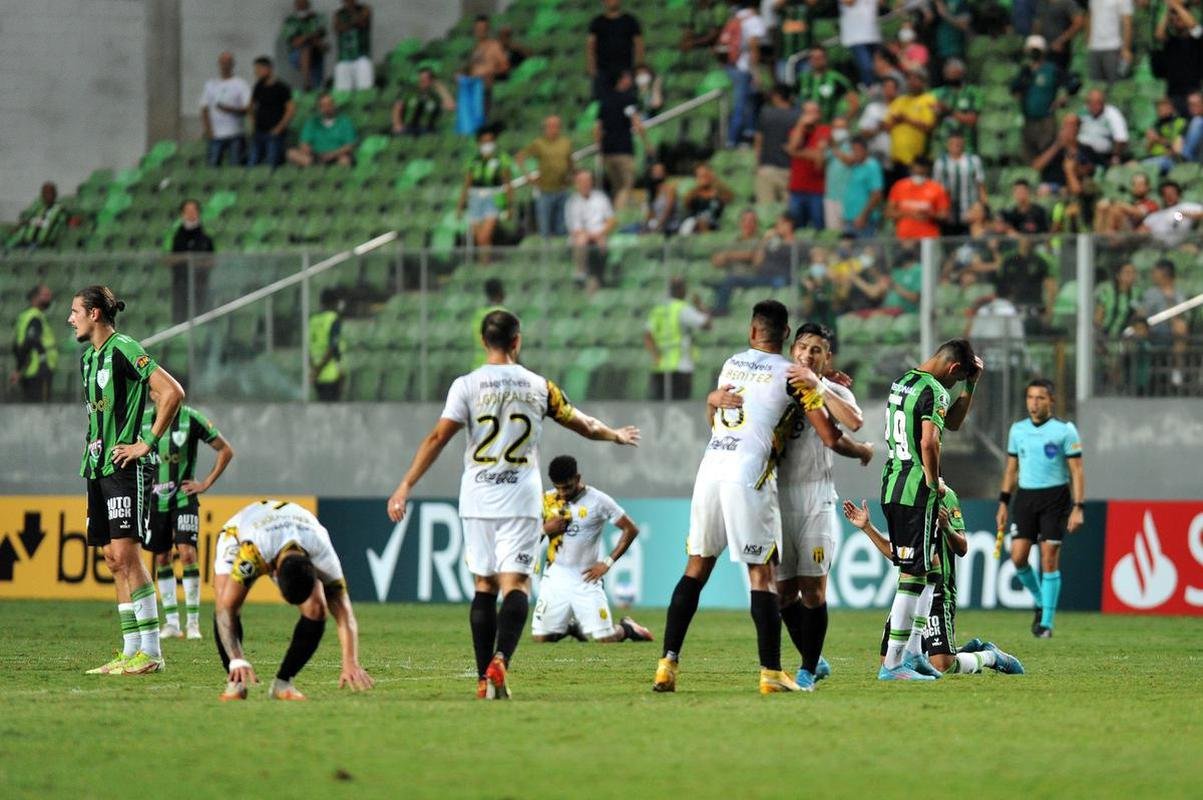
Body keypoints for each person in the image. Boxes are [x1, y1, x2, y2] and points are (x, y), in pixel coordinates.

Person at [386, 310, 640, 699]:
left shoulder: (466, 386)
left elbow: (438, 438)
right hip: (521, 500)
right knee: (516, 584)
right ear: (517, 340)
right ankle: (501, 658)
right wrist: (615, 436)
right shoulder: (539, 386)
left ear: (483, 340)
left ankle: (482, 680)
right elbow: (584, 424)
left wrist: (404, 485)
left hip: (477, 499)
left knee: (483, 586)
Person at [653, 300, 829, 695]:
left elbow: (715, 418)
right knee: (761, 575)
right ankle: (771, 672)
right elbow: (826, 425)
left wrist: (711, 400)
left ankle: (667, 664)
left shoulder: (731, 364)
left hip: (711, 468)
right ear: (786, 335)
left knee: (695, 568)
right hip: (748, 475)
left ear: (752, 332)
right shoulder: (791, 374)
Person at [73, 286, 185, 677]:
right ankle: (130, 650)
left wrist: (146, 443)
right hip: (97, 467)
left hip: (125, 467)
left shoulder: (124, 347)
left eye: (75, 312)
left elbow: (171, 392)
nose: (70, 319)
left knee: (128, 557)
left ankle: (152, 652)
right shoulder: (88, 360)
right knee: (111, 559)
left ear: (94, 315)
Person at [771, 324, 874, 689]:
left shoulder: (834, 388)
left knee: (813, 590)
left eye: (816, 350)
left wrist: (821, 384)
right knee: (782, 593)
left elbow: (854, 422)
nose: (807, 355)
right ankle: (814, 660)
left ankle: (808, 670)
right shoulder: (774, 383)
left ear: (827, 358)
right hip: (776, 498)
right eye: (802, 347)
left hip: (816, 496)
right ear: (791, 351)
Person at [878, 338, 983, 680]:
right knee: (913, 574)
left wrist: (971, 386)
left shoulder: (904, 382)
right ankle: (894, 664)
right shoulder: (935, 391)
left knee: (931, 568)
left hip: (893, 482)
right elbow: (929, 440)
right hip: (914, 489)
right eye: (957, 380)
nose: (952, 387)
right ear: (953, 369)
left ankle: (912, 654)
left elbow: (949, 424)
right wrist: (932, 480)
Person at [847, 489, 1025, 676]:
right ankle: (955, 650)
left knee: (943, 666)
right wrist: (867, 527)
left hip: (938, 591)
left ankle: (991, 656)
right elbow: (900, 553)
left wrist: (947, 527)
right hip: (910, 591)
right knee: (891, 662)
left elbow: (962, 548)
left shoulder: (945, 496)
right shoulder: (906, 497)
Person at [214, 500, 374, 700]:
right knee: (225, 602)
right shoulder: (252, 552)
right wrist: (236, 659)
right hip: (239, 533)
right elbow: (225, 610)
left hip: (291, 532)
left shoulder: (323, 554)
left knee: (316, 609)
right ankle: (235, 683)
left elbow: (344, 612)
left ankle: (283, 684)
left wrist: (350, 660)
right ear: (274, 573)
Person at [996, 379, 1085, 638]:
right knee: (1018, 557)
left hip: (1055, 498)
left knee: (1049, 558)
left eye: (1040, 398)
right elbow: (1011, 469)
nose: (1034, 403)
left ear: (1051, 401)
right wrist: (1003, 502)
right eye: (1030, 398)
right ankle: (1040, 600)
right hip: (1025, 498)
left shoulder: (1065, 431)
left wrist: (1078, 506)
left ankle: (1045, 623)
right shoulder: (1018, 430)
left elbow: (1077, 471)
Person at [532, 455, 654, 643]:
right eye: (558, 488)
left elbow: (631, 529)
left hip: (586, 578)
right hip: (555, 576)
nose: (562, 492)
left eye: (567, 487)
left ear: (578, 478)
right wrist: (545, 529)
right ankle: (571, 626)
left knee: (606, 638)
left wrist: (607, 563)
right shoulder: (547, 501)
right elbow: (528, 537)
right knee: (541, 638)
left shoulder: (598, 500)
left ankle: (627, 628)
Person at [142, 392, 233, 640]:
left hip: (184, 497)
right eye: (160, 392)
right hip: (154, 500)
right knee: (161, 558)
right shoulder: (142, 421)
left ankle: (192, 623)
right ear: (153, 395)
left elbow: (225, 450)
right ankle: (172, 623)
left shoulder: (191, 419)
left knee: (187, 553)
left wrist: (204, 484)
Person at [707, 215, 797, 316]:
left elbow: (756, 261)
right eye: (744, 220)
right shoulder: (736, 241)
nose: (747, 224)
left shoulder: (764, 240)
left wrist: (730, 255)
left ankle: (720, 309)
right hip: (749, 275)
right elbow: (717, 261)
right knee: (714, 280)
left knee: (730, 279)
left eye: (751, 221)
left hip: (763, 277)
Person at [645, 276, 711, 400]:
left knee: (659, 408)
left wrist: (656, 356)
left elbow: (648, 336)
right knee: (679, 407)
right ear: (681, 290)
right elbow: (707, 325)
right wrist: (700, 305)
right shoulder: (682, 309)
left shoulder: (658, 310)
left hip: (660, 367)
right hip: (681, 366)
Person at [1012, 36, 1074, 165]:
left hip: (1046, 119)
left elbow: (1072, 83)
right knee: (1028, 155)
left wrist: (1063, 98)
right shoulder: (1025, 71)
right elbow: (1014, 88)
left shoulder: (1051, 69)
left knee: (1046, 152)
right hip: (1028, 119)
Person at [457, 127, 515, 254]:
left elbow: (508, 183)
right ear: (479, 143)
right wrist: (460, 206)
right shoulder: (473, 161)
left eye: (490, 141)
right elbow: (467, 184)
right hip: (475, 198)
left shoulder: (502, 158)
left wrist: (509, 206)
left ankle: (486, 265)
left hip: (493, 197)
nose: (487, 145)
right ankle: (485, 266)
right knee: (480, 240)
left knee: (484, 235)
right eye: (484, 142)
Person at [517, 115, 574, 237]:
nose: (554, 129)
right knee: (545, 228)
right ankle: (546, 253)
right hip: (544, 191)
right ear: (545, 128)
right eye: (551, 126)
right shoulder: (538, 143)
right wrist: (528, 176)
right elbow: (521, 157)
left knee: (562, 228)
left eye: (557, 126)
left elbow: (570, 162)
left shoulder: (565, 143)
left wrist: (571, 175)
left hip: (562, 190)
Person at [596, 70, 644, 211]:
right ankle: (616, 216)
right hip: (623, 149)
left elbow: (598, 128)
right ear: (621, 79)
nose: (630, 80)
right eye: (628, 77)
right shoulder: (628, 99)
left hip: (608, 150)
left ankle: (616, 215)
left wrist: (600, 150)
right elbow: (636, 122)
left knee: (616, 188)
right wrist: (647, 143)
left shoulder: (605, 100)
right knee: (627, 185)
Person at [1140, 260, 1190, 390]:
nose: (1152, 275)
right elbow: (1143, 314)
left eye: (1155, 272)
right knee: (1179, 328)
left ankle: (1176, 370)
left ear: (1165, 274)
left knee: (1180, 326)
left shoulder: (1179, 294)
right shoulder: (1151, 293)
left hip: (1175, 332)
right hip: (1154, 330)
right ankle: (1175, 370)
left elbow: (1186, 316)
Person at [722, 1, 766, 148]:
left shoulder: (736, 17)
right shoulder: (754, 20)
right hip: (744, 67)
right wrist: (756, 73)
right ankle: (734, 140)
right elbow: (753, 45)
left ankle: (744, 137)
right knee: (743, 105)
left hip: (731, 66)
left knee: (746, 103)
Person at [885, 68, 938, 188]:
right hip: (896, 159)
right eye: (909, 79)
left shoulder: (928, 99)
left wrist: (905, 119)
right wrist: (896, 121)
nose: (912, 82)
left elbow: (929, 127)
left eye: (916, 79)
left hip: (915, 161)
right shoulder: (899, 100)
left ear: (923, 82)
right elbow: (887, 126)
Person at [565, 169, 616, 292]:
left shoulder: (601, 198)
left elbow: (611, 220)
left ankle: (602, 275)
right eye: (582, 181)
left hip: (600, 234)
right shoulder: (572, 202)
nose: (586, 183)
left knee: (602, 242)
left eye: (588, 180)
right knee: (581, 240)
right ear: (576, 183)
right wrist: (589, 236)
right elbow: (575, 229)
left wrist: (600, 233)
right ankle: (581, 273)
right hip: (582, 237)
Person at [785, 100, 831, 230]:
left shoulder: (824, 130)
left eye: (814, 112)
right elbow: (794, 146)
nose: (811, 116)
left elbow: (819, 158)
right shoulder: (796, 130)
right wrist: (801, 125)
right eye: (808, 112)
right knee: (795, 226)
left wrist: (797, 153)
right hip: (797, 188)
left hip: (817, 190)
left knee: (818, 228)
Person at [201, 51, 250, 167]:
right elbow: (204, 108)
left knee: (236, 166)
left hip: (235, 133)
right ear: (218, 64)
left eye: (228, 62)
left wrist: (230, 110)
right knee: (212, 166)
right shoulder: (210, 84)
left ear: (233, 64)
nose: (225, 65)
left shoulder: (240, 84)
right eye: (222, 62)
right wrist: (208, 130)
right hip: (215, 135)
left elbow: (247, 108)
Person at [587, 0, 644, 100]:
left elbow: (638, 44)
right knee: (602, 103)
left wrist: (637, 67)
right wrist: (592, 68)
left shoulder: (630, 21)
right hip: (603, 71)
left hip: (625, 70)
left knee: (626, 101)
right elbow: (591, 45)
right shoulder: (597, 22)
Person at [169, 199, 215, 323]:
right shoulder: (175, 236)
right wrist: (185, 259)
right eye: (187, 211)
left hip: (200, 286)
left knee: (201, 319)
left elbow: (212, 261)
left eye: (194, 210)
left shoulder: (206, 238)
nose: (191, 214)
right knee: (180, 320)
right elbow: (167, 258)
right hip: (180, 287)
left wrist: (196, 262)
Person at [933, 131, 986, 236]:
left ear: (963, 144)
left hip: (969, 210)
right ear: (948, 144)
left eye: (959, 143)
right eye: (953, 143)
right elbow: (936, 188)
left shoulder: (973, 160)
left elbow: (980, 185)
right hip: (948, 212)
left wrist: (982, 206)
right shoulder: (940, 163)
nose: (956, 146)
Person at [755, 84, 800, 207]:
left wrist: (758, 164)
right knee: (789, 215)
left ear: (777, 97)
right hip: (790, 170)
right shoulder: (798, 116)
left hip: (767, 169)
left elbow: (758, 140)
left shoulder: (765, 113)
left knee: (765, 213)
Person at [10, 284, 55, 402]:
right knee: (40, 409)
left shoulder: (25, 316)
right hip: (39, 369)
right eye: (45, 295)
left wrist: (19, 368)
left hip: (30, 369)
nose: (49, 298)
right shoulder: (35, 317)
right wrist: (19, 369)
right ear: (34, 298)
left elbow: (17, 345)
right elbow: (30, 341)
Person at [886, 157, 950, 239]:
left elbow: (944, 215)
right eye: (916, 171)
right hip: (904, 237)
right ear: (911, 170)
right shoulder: (899, 186)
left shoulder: (937, 188)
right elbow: (888, 212)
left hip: (929, 237)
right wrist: (909, 213)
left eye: (921, 172)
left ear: (927, 171)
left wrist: (930, 214)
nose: (918, 175)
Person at [287, 93, 357, 167]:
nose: (327, 108)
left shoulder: (345, 121)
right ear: (319, 108)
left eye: (330, 104)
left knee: (345, 161)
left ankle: (329, 172)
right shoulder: (312, 122)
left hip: (337, 156)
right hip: (316, 157)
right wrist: (308, 150)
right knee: (291, 153)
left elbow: (350, 145)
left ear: (334, 105)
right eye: (323, 105)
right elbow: (304, 143)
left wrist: (332, 154)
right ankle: (316, 168)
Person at [249, 57, 294, 168]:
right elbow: (250, 106)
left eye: (259, 69)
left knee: (271, 163)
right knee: (252, 163)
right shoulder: (258, 86)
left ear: (268, 69)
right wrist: (253, 123)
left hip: (274, 134)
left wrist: (279, 128)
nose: (256, 72)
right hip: (259, 132)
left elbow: (291, 109)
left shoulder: (282, 87)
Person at [796, 46, 858, 123]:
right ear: (809, 60)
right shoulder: (801, 79)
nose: (816, 60)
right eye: (813, 57)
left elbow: (854, 102)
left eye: (820, 57)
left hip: (828, 126)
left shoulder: (836, 78)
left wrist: (844, 120)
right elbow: (790, 101)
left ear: (826, 59)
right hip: (806, 127)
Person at [838, 135, 885, 237]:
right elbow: (845, 160)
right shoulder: (855, 164)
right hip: (849, 217)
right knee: (847, 252)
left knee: (863, 251)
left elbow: (876, 194)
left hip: (865, 219)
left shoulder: (872, 166)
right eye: (853, 150)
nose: (855, 153)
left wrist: (863, 216)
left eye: (857, 150)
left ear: (865, 150)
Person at [932, 58, 980, 153]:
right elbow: (930, 122)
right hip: (941, 147)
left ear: (962, 73)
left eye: (954, 72)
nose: (950, 75)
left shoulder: (973, 92)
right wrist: (937, 113)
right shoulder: (936, 93)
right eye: (948, 72)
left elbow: (973, 120)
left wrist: (949, 111)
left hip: (966, 147)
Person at [391, 67, 455, 137]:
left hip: (427, 129)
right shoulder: (409, 92)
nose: (422, 80)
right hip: (407, 128)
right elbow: (397, 108)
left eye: (426, 78)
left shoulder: (435, 96)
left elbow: (451, 106)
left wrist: (440, 87)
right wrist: (397, 124)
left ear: (431, 80)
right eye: (420, 77)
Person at [1138, 180, 1203, 246]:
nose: (1169, 196)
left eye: (1172, 193)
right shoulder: (1154, 216)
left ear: (1178, 194)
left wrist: (1186, 214)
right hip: (1154, 245)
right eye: (1166, 194)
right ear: (1162, 196)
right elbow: (1139, 232)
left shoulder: (1186, 207)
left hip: (1179, 245)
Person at [282, 0, 327, 91]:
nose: (302, 5)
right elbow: (295, 42)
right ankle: (307, 82)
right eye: (299, 3)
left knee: (318, 86)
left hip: (316, 53)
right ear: (295, 5)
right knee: (306, 48)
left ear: (308, 4)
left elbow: (320, 35)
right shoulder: (290, 20)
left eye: (304, 2)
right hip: (296, 54)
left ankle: (315, 90)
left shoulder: (316, 18)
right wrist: (310, 35)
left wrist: (308, 38)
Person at [1077, 88, 1129, 166]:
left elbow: (1121, 138)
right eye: (1091, 103)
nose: (1095, 106)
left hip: (1100, 155)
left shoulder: (1112, 114)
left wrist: (1115, 156)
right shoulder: (1082, 112)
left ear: (1104, 103)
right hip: (1080, 150)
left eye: (1098, 103)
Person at [6, 182, 66, 250]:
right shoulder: (38, 207)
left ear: (55, 194)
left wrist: (31, 221)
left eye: (50, 193)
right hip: (26, 241)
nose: (47, 196)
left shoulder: (59, 210)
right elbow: (26, 217)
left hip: (41, 244)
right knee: (10, 248)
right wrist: (20, 225)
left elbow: (49, 223)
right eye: (44, 193)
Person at [680, 162, 735, 234]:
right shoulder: (694, 193)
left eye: (705, 175)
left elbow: (730, 198)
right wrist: (698, 187)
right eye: (700, 176)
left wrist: (715, 180)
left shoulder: (718, 192)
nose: (703, 178)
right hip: (694, 225)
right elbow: (686, 203)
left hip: (713, 224)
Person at [309, 289, 344, 402]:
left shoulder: (313, 320)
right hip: (331, 372)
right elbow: (333, 346)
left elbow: (308, 347)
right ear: (334, 303)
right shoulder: (333, 319)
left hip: (316, 372)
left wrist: (314, 369)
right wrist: (319, 369)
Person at [1087, 0, 1133, 84]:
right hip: (1094, 47)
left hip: (1114, 47)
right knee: (1095, 86)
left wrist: (1126, 48)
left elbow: (1127, 23)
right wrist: (1089, 40)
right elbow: (1091, 16)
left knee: (1115, 84)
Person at [332, 0, 373, 92]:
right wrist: (353, 23)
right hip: (344, 57)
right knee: (342, 91)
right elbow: (337, 28)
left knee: (365, 90)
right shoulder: (338, 13)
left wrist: (347, 24)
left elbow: (362, 20)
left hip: (362, 56)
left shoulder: (365, 9)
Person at [840, 0, 883, 87]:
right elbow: (848, 3)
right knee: (866, 67)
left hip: (873, 35)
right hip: (856, 38)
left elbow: (881, 3)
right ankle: (869, 92)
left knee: (879, 67)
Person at [1033, 0, 1085, 70]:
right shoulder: (1042, 3)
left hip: (1060, 50)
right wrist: (1034, 42)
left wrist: (1061, 41)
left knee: (1057, 75)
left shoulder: (1068, 3)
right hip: (1043, 49)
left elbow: (1078, 23)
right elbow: (1038, 23)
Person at [469, 14, 510, 97]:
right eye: (478, 28)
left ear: (488, 29)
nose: (481, 31)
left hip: (487, 89)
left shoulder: (494, 45)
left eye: (484, 28)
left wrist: (491, 74)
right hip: (474, 88)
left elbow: (505, 66)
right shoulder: (475, 48)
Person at [472, 279, 507, 367]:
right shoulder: (502, 313)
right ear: (500, 292)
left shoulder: (478, 314)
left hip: (479, 366)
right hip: (498, 368)